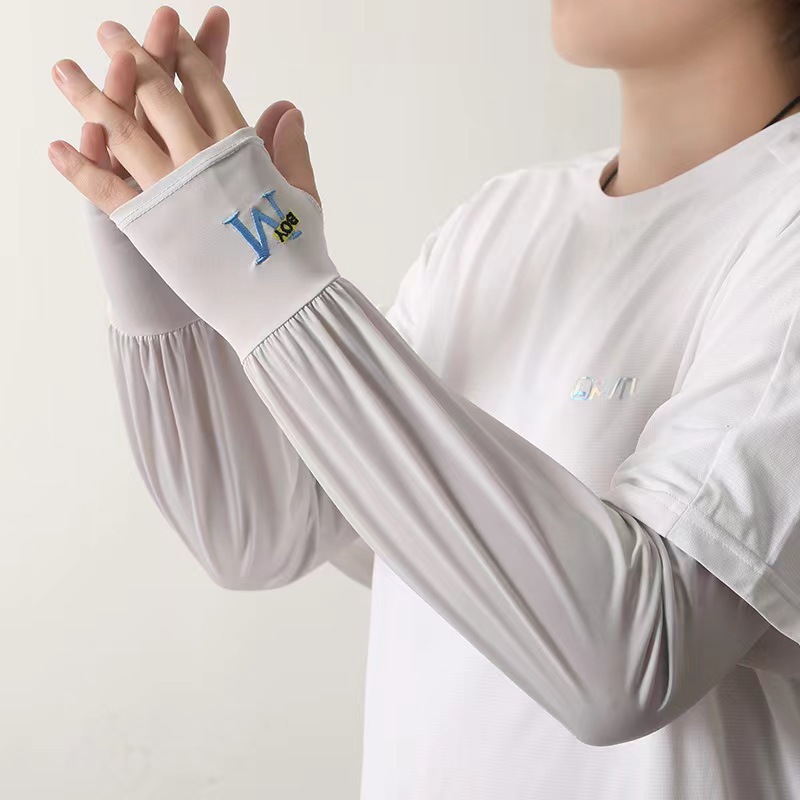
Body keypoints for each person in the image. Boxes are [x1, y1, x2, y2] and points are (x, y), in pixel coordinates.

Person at [48, 2, 800, 798]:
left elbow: (635, 661)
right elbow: (268, 530)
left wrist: (274, 278)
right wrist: (170, 276)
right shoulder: (506, 216)